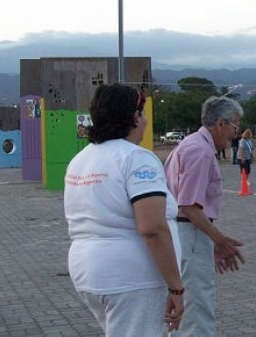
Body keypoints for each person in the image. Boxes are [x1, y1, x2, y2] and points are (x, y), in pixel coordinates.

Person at [64, 84, 184, 336]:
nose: (145, 120)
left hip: (89, 271)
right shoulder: (136, 158)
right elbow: (152, 228)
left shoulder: (81, 159)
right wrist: (176, 287)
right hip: (132, 277)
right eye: (142, 112)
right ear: (133, 117)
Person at [164, 96, 246, 337]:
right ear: (221, 124)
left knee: (183, 310)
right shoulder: (200, 151)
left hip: (184, 233)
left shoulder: (190, 145)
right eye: (235, 127)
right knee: (196, 311)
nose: (234, 134)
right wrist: (219, 240)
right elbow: (189, 206)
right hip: (188, 233)